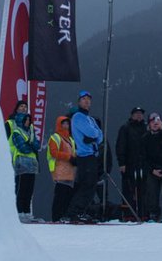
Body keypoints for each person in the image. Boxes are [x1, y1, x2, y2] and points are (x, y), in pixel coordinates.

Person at [64, 90, 104, 223]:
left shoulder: (90, 118)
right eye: (84, 99)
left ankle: (79, 211)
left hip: (92, 155)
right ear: (79, 102)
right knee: (87, 185)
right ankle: (74, 212)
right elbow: (93, 133)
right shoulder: (78, 117)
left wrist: (95, 135)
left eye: (88, 99)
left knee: (90, 185)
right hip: (85, 156)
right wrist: (95, 135)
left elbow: (100, 135)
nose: (86, 101)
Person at [4, 100, 41, 222]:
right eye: (21, 106)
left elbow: (36, 143)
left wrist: (31, 145)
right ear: (16, 108)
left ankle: (26, 212)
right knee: (18, 188)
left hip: (30, 160)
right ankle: (16, 213)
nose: (24, 108)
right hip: (15, 158)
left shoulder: (30, 125)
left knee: (28, 188)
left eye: (26, 106)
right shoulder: (10, 123)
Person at [115, 106, 149, 221]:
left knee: (143, 190)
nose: (139, 115)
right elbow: (120, 146)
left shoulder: (146, 128)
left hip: (143, 165)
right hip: (129, 164)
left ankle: (144, 213)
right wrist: (122, 163)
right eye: (136, 113)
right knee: (129, 190)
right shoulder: (125, 128)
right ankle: (129, 214)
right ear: (132, 115)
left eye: (141, 113)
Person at [46, 114, 77, 223]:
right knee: (60, 196)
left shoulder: (70, 139)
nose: (66, 125)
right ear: (59, 124)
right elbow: (53, 152)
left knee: (67, 195)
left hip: (69, 170)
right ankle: (56, 217)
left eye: (67, 123)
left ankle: (64, 216)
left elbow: (73, 152)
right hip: (59, 169)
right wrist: (69, 157)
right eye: (63, 123)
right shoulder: (55, 137)